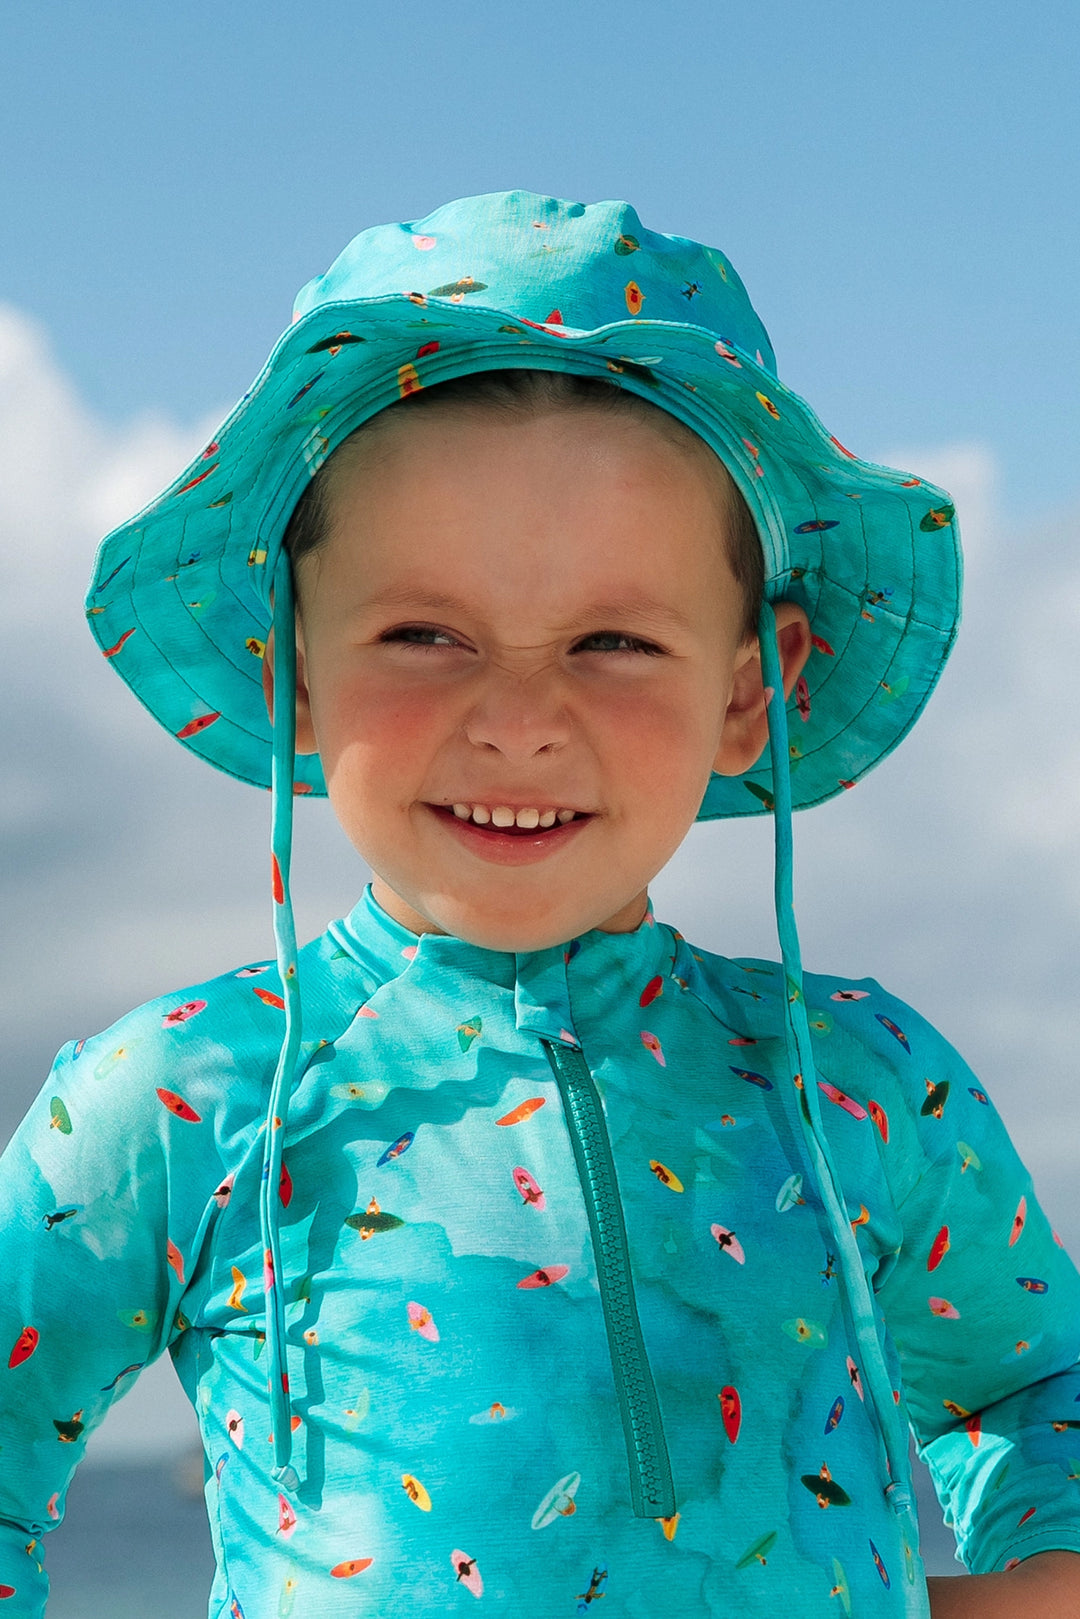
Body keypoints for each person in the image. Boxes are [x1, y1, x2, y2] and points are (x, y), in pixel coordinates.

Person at [1, 191, 1078, 1619]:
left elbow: (1032, 1384)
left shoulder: (858, 1085)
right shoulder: (185, 1096)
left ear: (751, 689)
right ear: (295, 674)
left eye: (615, 639)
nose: (517, 718)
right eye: (424, 634)